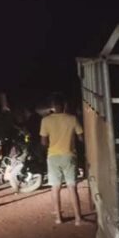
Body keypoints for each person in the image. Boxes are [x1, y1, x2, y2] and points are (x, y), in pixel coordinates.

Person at [40, 94, 84, 225]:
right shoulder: (72, 119)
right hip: (69, 155)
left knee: (55, 188)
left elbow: (43, 142)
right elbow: (81, 138)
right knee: (72, 187)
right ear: (64, 105)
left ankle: (59, 218)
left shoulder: (45, 120)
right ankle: (78, 219)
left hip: (53, 156)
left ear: (52, 107)